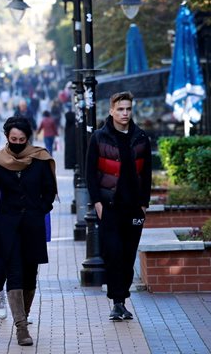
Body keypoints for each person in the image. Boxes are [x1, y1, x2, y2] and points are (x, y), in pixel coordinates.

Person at [0, 117, 57, 346]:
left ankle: (22, 316)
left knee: (29, 274)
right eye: (13, 139)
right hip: (7, 226)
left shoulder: (41, 159)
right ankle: (21, 328)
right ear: (7, 137)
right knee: (13, 272)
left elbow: (49, 191)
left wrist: (39, 210)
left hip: (32, 225)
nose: (17, 143)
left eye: (21, 139)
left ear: (28, 138)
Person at [86, 91, 151, 321]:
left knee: (128, 255)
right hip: (110, 207)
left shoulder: (141, 137)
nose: (125, 113)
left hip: (133, 209)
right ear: (111, 110)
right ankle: (116, 302)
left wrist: (144, 204)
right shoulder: (99, 138)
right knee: (113, 253)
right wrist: (97, 203)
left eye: (128, 109)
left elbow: (147, 174)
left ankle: (122, 299)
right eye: (120, 109)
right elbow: (90, 174)